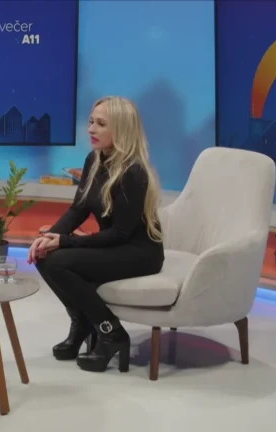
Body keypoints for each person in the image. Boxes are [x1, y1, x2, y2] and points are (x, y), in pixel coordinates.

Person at [28, 96, 164, 373]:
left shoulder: (133, 171)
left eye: (101, 124)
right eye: (91, 121)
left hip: (139, 253)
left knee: (58, 262)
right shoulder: (95, 158)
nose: (91, 129)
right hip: (114, 245)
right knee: (44, 255)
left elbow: (120, 234)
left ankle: (111, 331)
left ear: (121, 129)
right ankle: (82, 324)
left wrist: (65, 241)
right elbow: (78, 209)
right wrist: (50, 237)